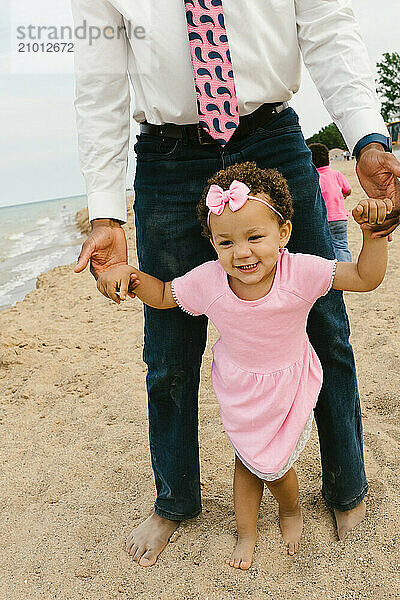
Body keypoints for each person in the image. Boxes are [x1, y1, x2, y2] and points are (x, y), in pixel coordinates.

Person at [71, 0, 400, 567]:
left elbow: (327, 25)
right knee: (169, 351)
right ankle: (175, 499)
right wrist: (106, 212)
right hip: (165, 153)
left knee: (326, 326)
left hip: (271, 134)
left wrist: (368, 137)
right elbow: (100, 73)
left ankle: (347, 486)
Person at [96, 162, 391, 569]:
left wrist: (374, 238)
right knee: (246, 459)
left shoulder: (300, 271)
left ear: (283, 233)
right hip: (240, 391)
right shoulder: (210, 280)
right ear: (213, 244)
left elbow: (363, 277)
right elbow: (164, 294)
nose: (243, 252)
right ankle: (247, 533)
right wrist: (129, 274)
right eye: (227, 242)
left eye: (255, 236)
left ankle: (290, 511)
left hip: (290, 385)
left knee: (278, 462)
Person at [309, 143, 353, 262]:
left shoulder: (313, 178)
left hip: (322, 219)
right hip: (340, 218)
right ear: (328, 159)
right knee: (341, 246)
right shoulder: (336, 174)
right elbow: (348, 190)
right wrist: (343, 195)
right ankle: (346, 271)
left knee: (324, 249)